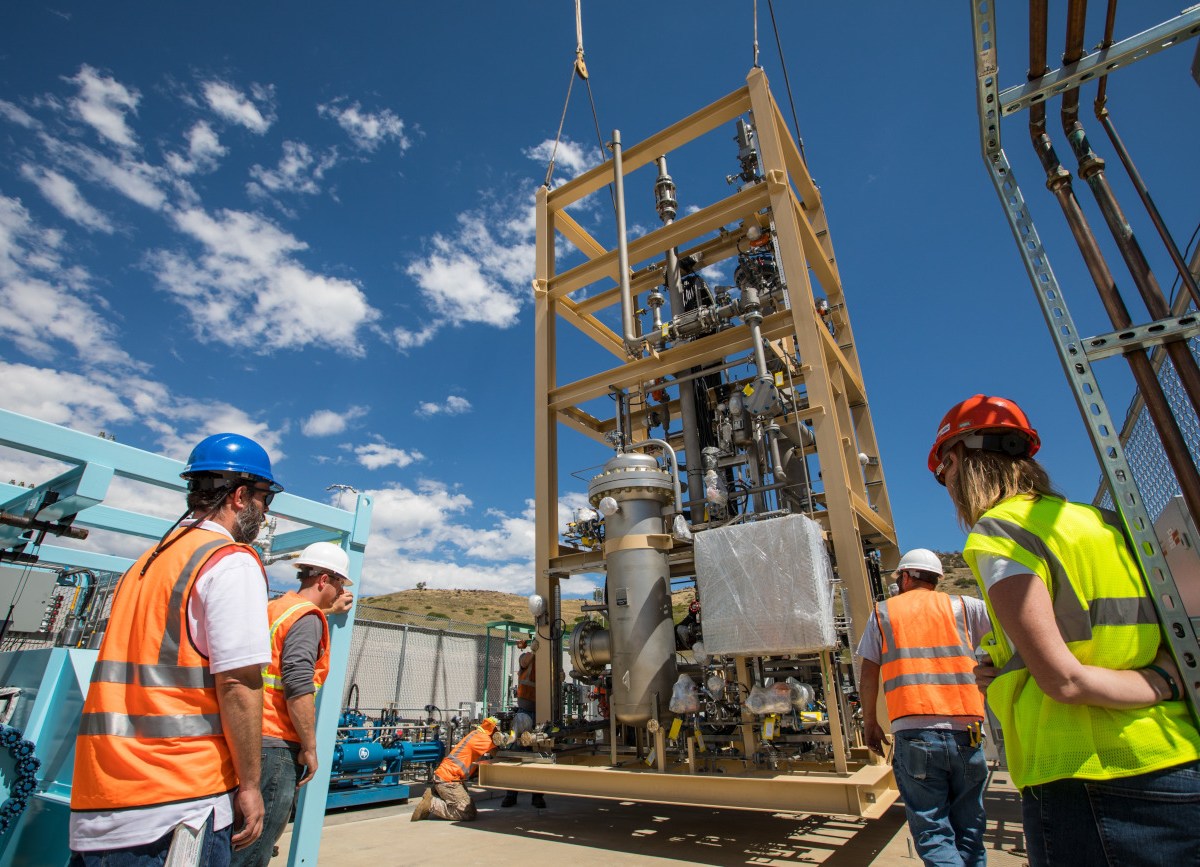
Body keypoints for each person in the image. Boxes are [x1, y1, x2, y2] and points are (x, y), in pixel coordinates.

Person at [930, 394, 1200, 866]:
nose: (948, 486)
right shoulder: (1107, 523)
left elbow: (1065, 679)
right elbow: (1110, 631)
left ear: (958, 461)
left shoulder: (1001, 529)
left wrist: (1163, 682)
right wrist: (1011, 669)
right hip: (1175, 753)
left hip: (1088, 777)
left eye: (944, 473)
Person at [70, 433, 283, 865]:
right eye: (264, 500)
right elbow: (239, 684)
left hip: (104, 796)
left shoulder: (149, 562)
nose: (264, 512)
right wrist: (249, 786)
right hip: (178, 803)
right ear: (241, 496)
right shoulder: (229, 560)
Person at [856, 548, 991, 867]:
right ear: (936, 579)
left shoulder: (883, 613)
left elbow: (868, 673)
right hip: (968, 734)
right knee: (970, 831)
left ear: (905, 576)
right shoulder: (964, 606)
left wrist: (871, 723)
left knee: (933, 833)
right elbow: (1011, 625)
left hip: (915, 734)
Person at [231, 542, 353, 867]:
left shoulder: (277, 608)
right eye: (340, 582)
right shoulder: (308, 618)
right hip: (275, 745)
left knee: (237, 840)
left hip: (245, 734)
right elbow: (298, 684)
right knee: (254, 849)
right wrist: (310, 747)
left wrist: (329, 611)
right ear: (324, 580)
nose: (342, 590)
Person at [410, 718, 501, 821]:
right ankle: (432, 803)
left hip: (448, 777)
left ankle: (437, 794)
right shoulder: (484, 739)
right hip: (449, 779)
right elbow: (498, 754)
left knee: (469, 806)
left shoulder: (477, 734)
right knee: (468, 813)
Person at [501, 639, 546, 810]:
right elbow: (525, 662)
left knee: (539, 754)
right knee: (517, 752)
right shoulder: (526, 657)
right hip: (525, 711)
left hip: (542, 714)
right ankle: (511, 794)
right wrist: (533, 652)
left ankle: (537, 797)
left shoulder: (549, 662)